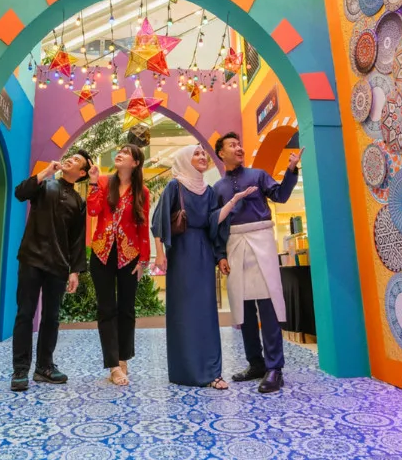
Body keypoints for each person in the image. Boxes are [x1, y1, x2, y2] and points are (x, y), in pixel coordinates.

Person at [152, 145, 249, 389]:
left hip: (204, 253)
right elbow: (159, 220)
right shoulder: (175, 185)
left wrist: (232, 202)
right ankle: (184, 371)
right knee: (183, 312)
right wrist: (159, 254)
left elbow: (213, 222)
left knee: (206, 312)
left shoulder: (209, 191)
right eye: (196, 154)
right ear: (185, 159)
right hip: (181, 254)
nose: (202, 156)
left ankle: (212, 372)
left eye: (203, 153)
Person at [213, 131, 301, 394]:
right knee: (243, 309)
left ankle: (275, 368)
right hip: (234, 244)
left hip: (261, 241)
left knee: (268, 304)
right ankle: (256, 363)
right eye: (232, 145)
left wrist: (291, 170)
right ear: (221, 153)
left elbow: (281, 196)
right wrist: (220, 255)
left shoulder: (259, 175)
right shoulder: (217, 188)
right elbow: (217, 224)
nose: (239, 148)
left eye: (239, 144)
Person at [10, 151, 92, 392]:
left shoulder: (78, 201)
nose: (70, 159)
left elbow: (77, 239)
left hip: (58, 264)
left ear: (82, 173)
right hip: (31, 258)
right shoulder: (44, 185)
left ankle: (44, 367)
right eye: (71, 156)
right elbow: (20, 193)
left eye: (77, 161)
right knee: (25, 313)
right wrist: (45, 172)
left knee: (51, 317)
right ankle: (20, 369)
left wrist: (75, 271)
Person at [87, 144, 151, 386]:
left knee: (126, 309)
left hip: (129, 255)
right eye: (119, 151)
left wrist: (143, 260)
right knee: (106, 309)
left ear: (135, 163)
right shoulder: (104, 182)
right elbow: (93, 210)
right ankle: (113, 365)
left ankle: (123, 358)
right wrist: (93, 183)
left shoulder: (142, 192)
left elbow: (143, 226)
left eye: (126, 152)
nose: (120, 154)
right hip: (102, 253)